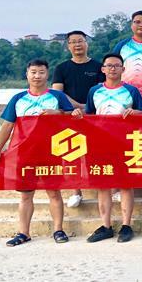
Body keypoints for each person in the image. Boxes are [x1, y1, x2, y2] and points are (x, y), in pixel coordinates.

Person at [0, 59, 74, 246]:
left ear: (47, 74)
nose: (37, 76)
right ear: (27, 74)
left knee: (54, 193)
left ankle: (58, 230)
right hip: (24, 153)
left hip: (51, 152)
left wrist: (58, 113)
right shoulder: (18, 98)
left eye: (41, 72)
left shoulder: (57, 96)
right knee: (25, 195)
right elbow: (7, 125)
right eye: (33, 72)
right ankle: (24, 233)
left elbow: (73, 117)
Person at [74, 53, 142, 243]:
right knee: (103, 185)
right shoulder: (94, 91)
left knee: (125, 184)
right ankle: (106, 226)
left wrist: (136, 113)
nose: (113, 69)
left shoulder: (131, 91)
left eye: (117, 65)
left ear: (123, 69)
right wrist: (78, 115)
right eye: (109, 65)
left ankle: (126, 225)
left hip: (125, 142)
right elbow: (89, 115)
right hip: (99, 143)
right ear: (103, 69)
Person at [52, 30, 104, 209]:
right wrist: (78, 106)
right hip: (70, 116)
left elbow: (104, 89)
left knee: (100, 152)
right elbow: (58, 93)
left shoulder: (98, 67)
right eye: (73, 42)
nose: (77, 45)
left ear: (87, 43)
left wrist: (87, 107)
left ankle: (109, 187)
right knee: (72, 153)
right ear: (68, 46)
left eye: (80, 41)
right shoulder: (62, 68)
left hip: (94, 115)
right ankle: (76, 191)